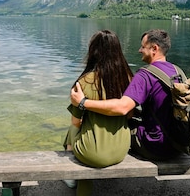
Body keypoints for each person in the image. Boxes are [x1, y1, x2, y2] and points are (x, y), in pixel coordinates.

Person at [71, 29, 181, 161]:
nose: (139, 50)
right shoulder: (177, 72)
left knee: (79, 125)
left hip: (156, 147)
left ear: (154, 48)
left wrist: (83, 102)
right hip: (178, 146)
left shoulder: (146, 75)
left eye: (142, 46)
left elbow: (122, 108)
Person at [63, 30, 133, 196]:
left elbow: (75, 122)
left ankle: (70, 176)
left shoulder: (84, 83)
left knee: (71, 130)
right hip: (121, 151)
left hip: (93, 154)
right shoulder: (128, 79)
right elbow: (129, 115)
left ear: (93, 52)